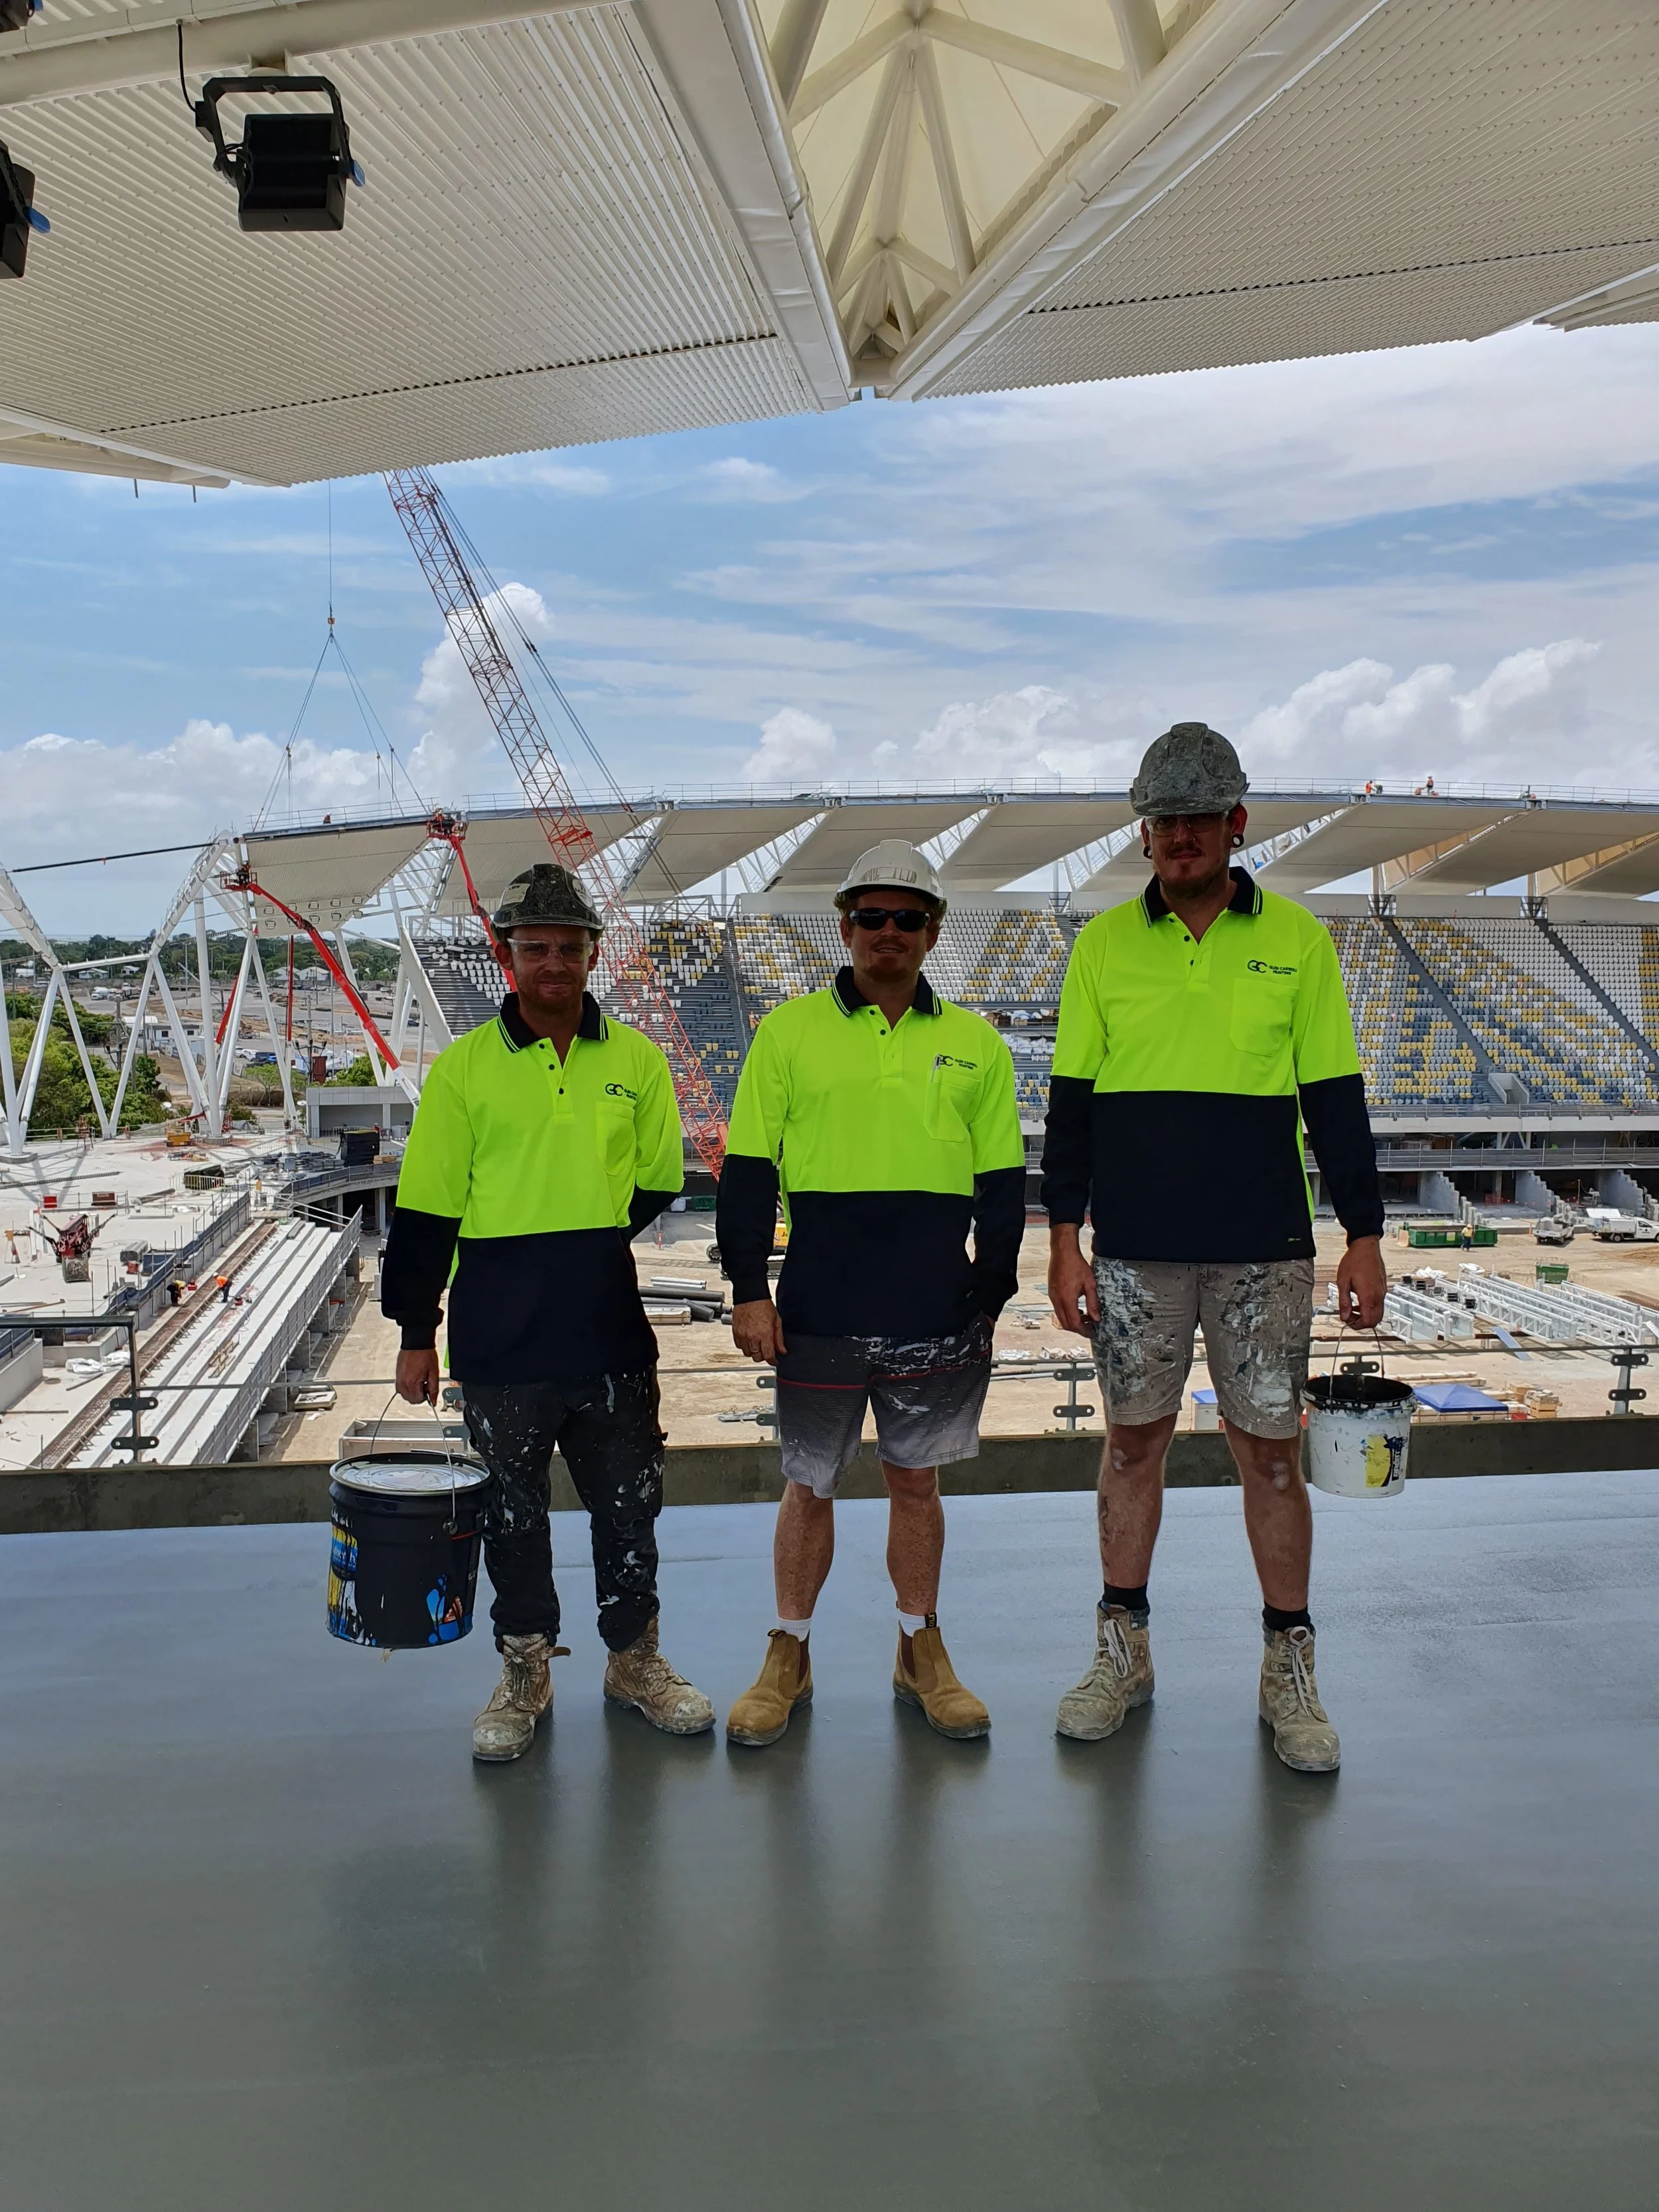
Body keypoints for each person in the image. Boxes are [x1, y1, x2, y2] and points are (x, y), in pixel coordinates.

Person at [1043, 723, 1387, 1773]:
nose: (1182, 835)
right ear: (1144, 833)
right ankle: (1121, 1653)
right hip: (1138, 1252)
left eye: (1201, 817)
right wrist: (1063, 1239)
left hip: (1264, 1251)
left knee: (1271, 1461)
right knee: (1132, 1445)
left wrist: (1365, 1234)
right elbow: (1072, 1112)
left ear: (1237, 825)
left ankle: (1289, 1672)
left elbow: (1334, 1099)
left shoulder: (1298, 939)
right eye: (1165, 820)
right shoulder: (1102, 945)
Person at [383, 864, 715, 1761]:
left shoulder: (636, 1061)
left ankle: (634, 1661)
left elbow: (656, 1179)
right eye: (537, 948)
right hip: (498, 1337)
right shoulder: (464, 1071)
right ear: (509, 955)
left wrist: (582, 1246)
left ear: (591, 954)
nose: (555, 963)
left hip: (606, 1332)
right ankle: (525, 1668)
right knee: (513, 1519)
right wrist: (419, 1332)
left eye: (571, 948)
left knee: (629, 1508)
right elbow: (428, 1208)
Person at [717, 840, 1027, 1746]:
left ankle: (919, 1645)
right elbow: (745, 1173)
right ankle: (789, 1650)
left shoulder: (975, 1044)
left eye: (908, 919)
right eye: (871, 918)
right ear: (845, 928)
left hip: (934, 1306)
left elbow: (1005, 1184)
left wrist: (991, 1292)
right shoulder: (787, 1033)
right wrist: (748, 1289)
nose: (888, 933)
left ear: (933, 933)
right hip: (818, 1300)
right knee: (808, 1484)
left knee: (916, 1484)